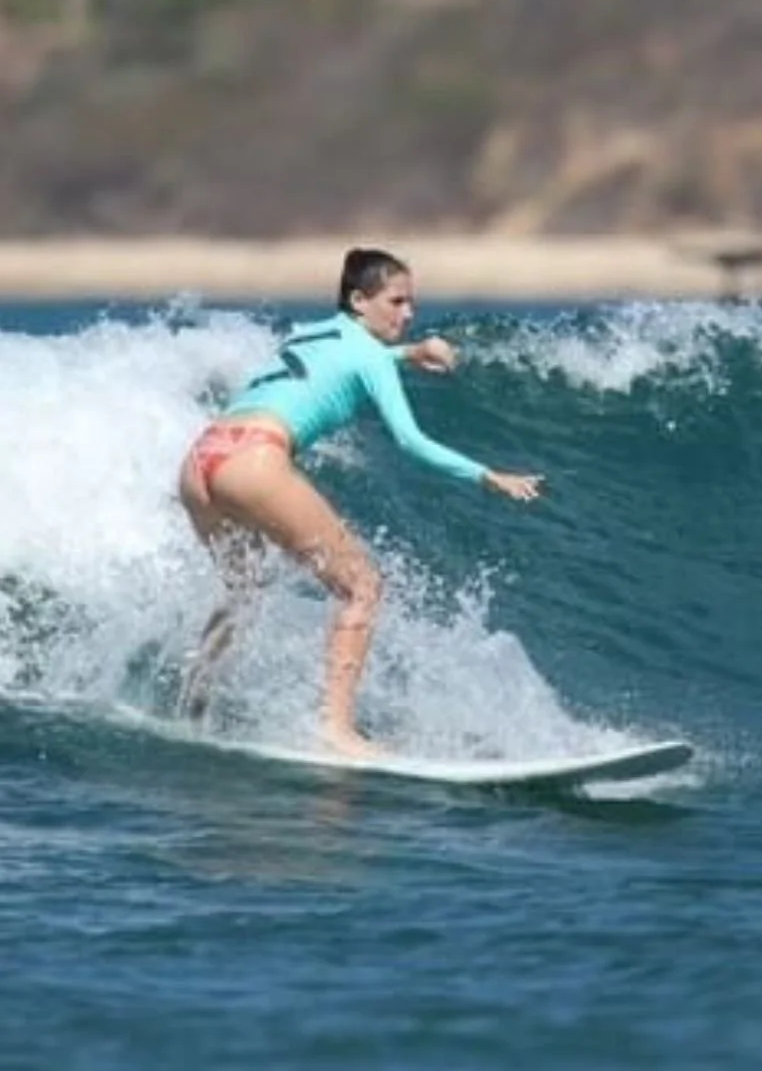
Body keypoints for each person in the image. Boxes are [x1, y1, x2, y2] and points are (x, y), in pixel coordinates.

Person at [176, 248, 542, 755]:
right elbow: (411, 441)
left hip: (200, 461)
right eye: (397, 301)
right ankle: (337, 729)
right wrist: (488, 475)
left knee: (245, 589)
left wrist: (409, 352)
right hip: (255, 461)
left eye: (411, 303)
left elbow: (341, 357)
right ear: (358, 300)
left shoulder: (308, 333)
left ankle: (191, 708)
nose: (409, 313)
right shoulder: (370, 356)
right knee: (363, 587)